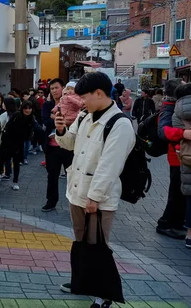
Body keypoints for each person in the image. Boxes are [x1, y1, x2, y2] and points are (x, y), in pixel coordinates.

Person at [55, 72, 135, 308]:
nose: (81, 102)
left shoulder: (120, 124)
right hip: (76, 192)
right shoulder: (84, 116)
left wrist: (94, 197)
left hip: (97, 199)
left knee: (98, 244)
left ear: (99, 94)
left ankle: (104, 294)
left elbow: (109, 166)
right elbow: (70, 144)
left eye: (85, 97)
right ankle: (82, 281)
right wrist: (61, 131)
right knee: (81, 241)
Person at [157, 79, 187, 240]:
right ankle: (167, 224)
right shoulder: (168, 108)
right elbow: (163, 132)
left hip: (181, 157)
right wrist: (183, 133)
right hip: (176, 157)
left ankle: (176, 222)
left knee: (180, 192)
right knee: (176, 192)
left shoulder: (176, 107)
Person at [41, 78, 74, 212]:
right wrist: (61, 121)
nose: (54, 90)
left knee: (72, 175)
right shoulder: (47, 105)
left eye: (57, 87)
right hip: (52, 146)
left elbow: (75, 120)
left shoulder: (71, 103)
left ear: (63, 88)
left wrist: (55, 118)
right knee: (52, 175)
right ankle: (51, 201)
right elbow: (45, 121)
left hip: (69, 146)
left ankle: (74, 203)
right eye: (52, 88)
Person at [0, 100, 37, 190]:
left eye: (29, 108)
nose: (27, 110)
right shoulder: (16, 115)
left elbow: (36, 128)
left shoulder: (31, 118)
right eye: (26, 108)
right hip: (8, 141)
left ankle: (15, 182)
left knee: (16, 163)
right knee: (2, 160)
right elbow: (8, 126)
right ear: (22, 108)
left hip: (19, 143)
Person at [172, 82, 191, 247]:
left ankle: (190, 236)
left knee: (190, 198)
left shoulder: (177, 110)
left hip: (185, 158)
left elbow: (172, 132)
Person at [0, 97, 18, 180]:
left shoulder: (5, 115)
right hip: (14, 141)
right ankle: (9, 174)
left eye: (3, 103)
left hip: (5, 140)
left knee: (2, 158)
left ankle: (1, 173)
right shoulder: (17, 114)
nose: (2, 104)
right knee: (9, 158)